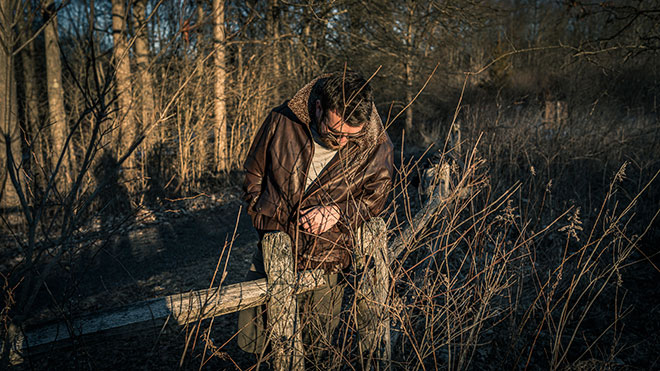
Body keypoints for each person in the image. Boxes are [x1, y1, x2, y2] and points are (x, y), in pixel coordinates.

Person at [237, 72, 394, 363]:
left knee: (317, 348)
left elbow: (377, 196)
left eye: (351, 135)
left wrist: (338, 213)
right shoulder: (282, 120)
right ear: (319, 107)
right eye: (335, 132)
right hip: (274, 251)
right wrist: (267, 222)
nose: (342, 140)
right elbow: (253, 174)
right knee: (258, 343)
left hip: (328, 260)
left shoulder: (376, 143)